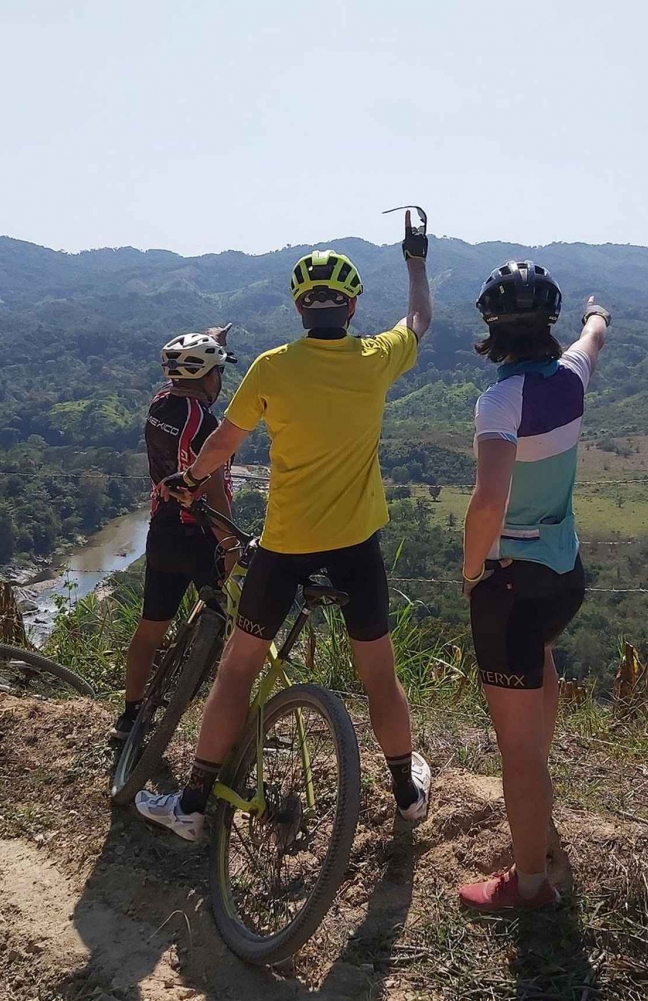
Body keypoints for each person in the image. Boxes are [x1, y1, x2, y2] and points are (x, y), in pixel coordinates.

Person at [135, 215, 435, 841]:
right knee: (379, 672)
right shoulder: (376, 357)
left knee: (239, 670)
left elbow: (224, 440)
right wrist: (414, 259)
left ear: (299, 309)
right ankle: (406, 792)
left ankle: (192, 805)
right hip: (357, 548)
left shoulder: (271, 368)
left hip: (284, 547)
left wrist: (189, 480)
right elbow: (418, 322)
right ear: (352, 307)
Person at [457, 261, 608, 911]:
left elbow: (489, 500)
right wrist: (596, 313)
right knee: (539, 663)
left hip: (510, 583)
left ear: (492, 327)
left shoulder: (499, 401)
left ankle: (528, 884)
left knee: (515, 748)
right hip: (563, 573)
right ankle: (536, 798)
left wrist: (469, 570)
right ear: (548, 322)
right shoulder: (572, 376)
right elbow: (593, 338)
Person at [109, 327, 239, 745]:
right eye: (218, 371)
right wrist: (232, 545)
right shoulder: (205, 421)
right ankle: (230, 721)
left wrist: (208, 338)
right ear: (208, 378)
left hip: (163, 529)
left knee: (150, 628)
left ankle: (129, 716)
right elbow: (214, 487)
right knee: (236, 626)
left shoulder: (160, 404)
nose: (220, 380)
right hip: (200, 534)